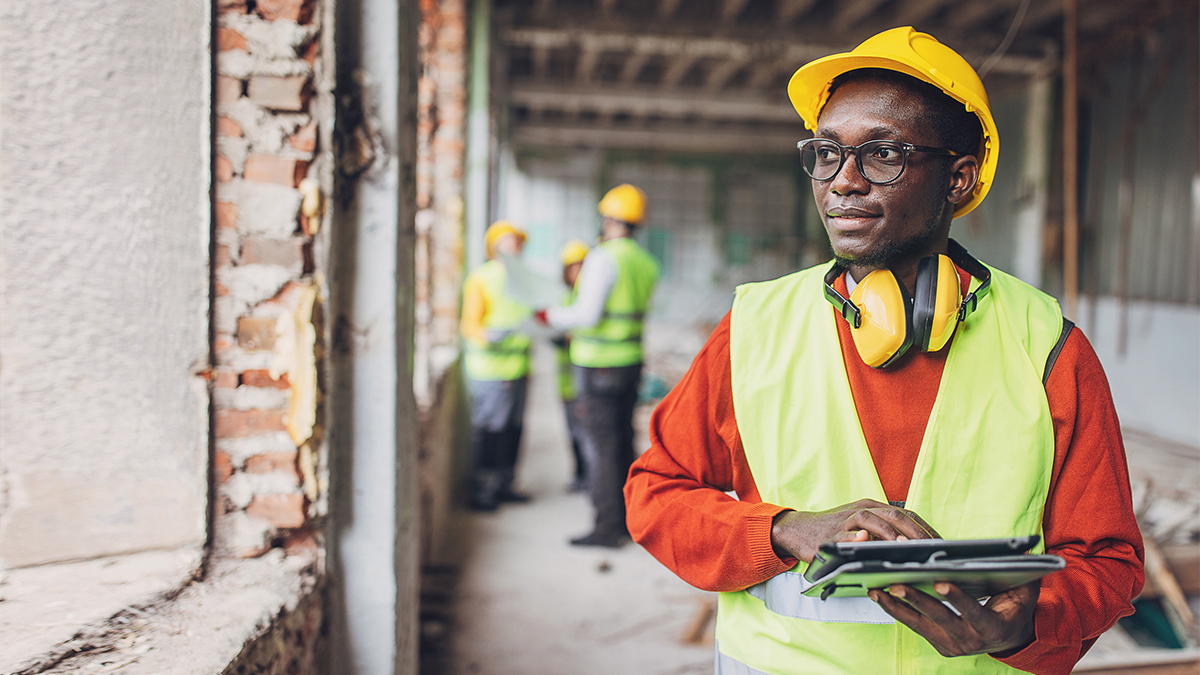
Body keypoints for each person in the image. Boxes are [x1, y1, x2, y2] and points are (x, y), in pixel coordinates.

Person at [624, 27, 1144, 675]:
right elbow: (655, 494)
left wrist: (1023, 626)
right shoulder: (755, 326)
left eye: (882, 155)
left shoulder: (1048, 345)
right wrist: (785, 527)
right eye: (825, 153)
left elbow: (1110, 560)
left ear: (958, 178)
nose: (843, 182)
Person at [537, 184, 661, 547]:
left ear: (608, 218)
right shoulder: (644, 261)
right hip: (630, 362)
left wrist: (548, 316)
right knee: (622, 442)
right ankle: (627, 520)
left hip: (599, 365)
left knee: (603, 447)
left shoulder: (604, 257)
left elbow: (586, 315)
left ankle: (607, 527)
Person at [460, 221, 533, 511]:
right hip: (490, 372)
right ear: (494, 247)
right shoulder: (482, 278)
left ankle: (505, 485)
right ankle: (483, 491)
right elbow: (470, 326)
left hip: (518, 370)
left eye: (518, 242)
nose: (516, 247)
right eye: (509, 242)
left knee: (513, 431)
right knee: (491, 432)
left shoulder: (523, 280)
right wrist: (496, 336)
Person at [554, 239, 591, 493]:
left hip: (585, 376)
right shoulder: (563, 297)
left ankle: (590, 476)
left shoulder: (589, 297)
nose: (576, 273)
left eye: (581, 267)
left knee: (587, 432)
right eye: (572, 267)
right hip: (566, 378)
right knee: (573, 432)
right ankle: (580, 474)